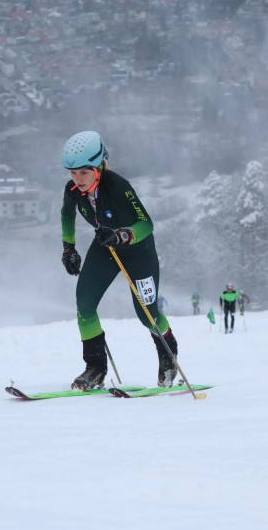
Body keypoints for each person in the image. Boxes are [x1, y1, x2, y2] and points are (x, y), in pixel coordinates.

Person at [60, 130, 179, 390]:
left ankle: (168, 356)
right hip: (106, 247)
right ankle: (95, 368)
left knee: (146, 314)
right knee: (84, 303)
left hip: (138, 250)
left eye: (83, 172)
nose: (76, 178)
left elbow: (146, 224)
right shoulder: (72, 190)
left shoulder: (117, 185)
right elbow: (67, 216)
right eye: (72, 172)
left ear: (99, 166)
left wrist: (124, 235)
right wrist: (69, 248)